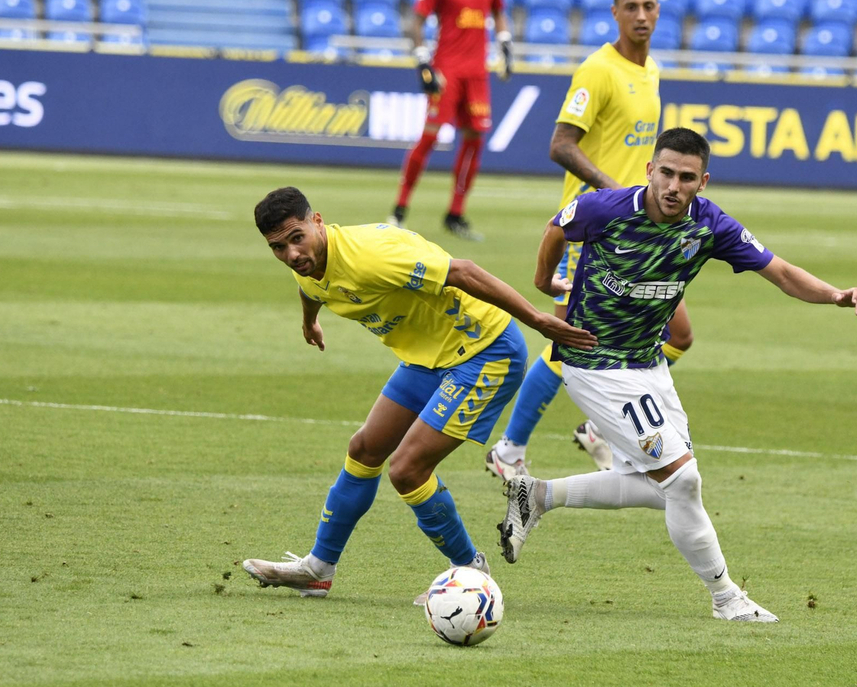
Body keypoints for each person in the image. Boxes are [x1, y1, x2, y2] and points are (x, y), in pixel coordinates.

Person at [498, 128, 857, 623]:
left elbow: (779, 271)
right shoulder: (604, 208)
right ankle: (726, 598)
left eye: (687, 177)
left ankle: (539, 494)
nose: (674, 186)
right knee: (683, 479)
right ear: (650, 170)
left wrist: (835, 295)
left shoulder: (709, 225)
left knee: (662, 487)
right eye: (667, 173)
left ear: (703, 181)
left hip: (648, 365)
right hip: (594, 364)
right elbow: (556, 227)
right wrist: (544, 281)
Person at [242, 187, 595, 601]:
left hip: (484, 349)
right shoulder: (307, 264)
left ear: (317, 221)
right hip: (429, 357)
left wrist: (539, 320)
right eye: (278, 248)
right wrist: (309, 323)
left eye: (296, 238)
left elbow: (463, 270)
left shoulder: (373, 253)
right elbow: (310, 287)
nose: (291, 254)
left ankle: (471, 573)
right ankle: (318, 569)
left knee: (407, 469)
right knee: (365, 449)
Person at [483, 0, 690, 481]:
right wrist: (611, 191)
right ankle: (510, 449)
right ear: (615, 13)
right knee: (568, 338)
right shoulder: (598, 70)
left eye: (650, 6)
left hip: (640, 232)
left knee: (678, 335)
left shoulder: (652, 71)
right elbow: (560, 144)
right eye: (632, 7)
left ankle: (598, 427)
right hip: (593, 230)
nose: (642, 15)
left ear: (658, 10)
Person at [389, 0, 512, 242]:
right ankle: (399, 209)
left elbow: (499, 12)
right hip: (447, 72)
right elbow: (417, 20)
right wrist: (422, 60)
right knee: (429, 137)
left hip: (477, 73)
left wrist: (504, 42)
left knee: (474, 139)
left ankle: (455, 213)